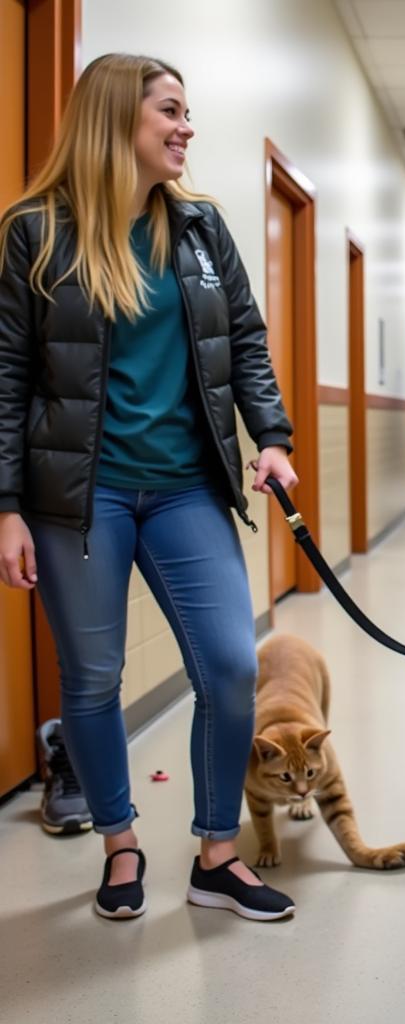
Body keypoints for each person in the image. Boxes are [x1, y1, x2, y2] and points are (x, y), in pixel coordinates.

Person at [0, 54, 299, 922]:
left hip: (185, 488)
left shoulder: (200, 228)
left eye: (187, 111)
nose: (186, 127)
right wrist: (7, 506)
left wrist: (272, 436)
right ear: (114, 120)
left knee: (233, 667)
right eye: (170, 110)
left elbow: (244, 339)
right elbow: (9, 372)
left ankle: (216, 853)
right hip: (77, 496)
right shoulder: (36, 231)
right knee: (93, 678)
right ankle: (120, 842)